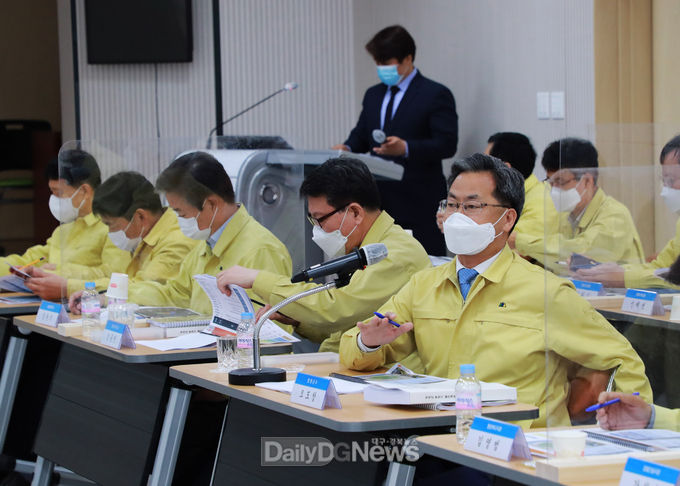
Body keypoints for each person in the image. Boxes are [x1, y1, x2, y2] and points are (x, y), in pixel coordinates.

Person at [339, 153, 651, 428]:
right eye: (452, 204)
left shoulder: (545, 292)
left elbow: (622, 358)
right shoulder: (424, 284)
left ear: (507, 219)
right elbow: (352, 349)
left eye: (472, 206)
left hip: (517, 447)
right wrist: (369, 342)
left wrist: (629, 427)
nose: (457, 216)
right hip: (444, 436)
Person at [216, 157, 431, 353]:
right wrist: (296, 320)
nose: (316, 230)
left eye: (320, 219)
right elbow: (344, 326)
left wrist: (256, 279)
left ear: (355, 212)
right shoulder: (363, 248)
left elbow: (336, 308)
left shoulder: (394, 253)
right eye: (312, 220)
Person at [332, 25, 458, 256]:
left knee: (422, 260)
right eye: (378, 63)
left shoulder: (434, 94)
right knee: (379, 261)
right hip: (378, 199)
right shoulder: (373, 94)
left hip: (418, 198)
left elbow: (447, 143)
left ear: (408, 59)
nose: (382, 68)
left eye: (387, 62)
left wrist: (406, 148)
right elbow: (362, 134)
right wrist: (346, 147)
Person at [127, 152, 292, 315]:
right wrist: (123, 291)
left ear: (211, 204)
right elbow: (176, 294)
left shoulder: (261, 250)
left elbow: (270, 325)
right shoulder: (205, 245)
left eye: (181, 213)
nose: (178, 220)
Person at [3, 149, 131, 300]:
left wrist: (59, 272)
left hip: (89, 306)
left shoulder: (115, 228)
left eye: (59, 192)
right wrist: (23, 269)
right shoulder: (63, 229)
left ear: (84, 191)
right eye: (52, 192)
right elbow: (31, 260)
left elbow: (114, 277)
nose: (54, 199)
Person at [511, 137, 645, 272]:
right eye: (550, 182)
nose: (554, 189)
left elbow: (579, 255)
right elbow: (555, 260)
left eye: (560, 181)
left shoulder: (615, 216)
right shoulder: (566, 215)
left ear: (587, 181)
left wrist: (519, 240)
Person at [68, 171, 197, 311]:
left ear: (140, 217)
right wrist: (88, 291)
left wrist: (102, 297)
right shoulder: (140, 236)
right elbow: (116, 276)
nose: (110, 232)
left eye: (111, 225)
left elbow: (144, 288)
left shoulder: (176, 241)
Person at [574, 135, 680, 288]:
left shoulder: (614, 213)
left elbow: (675, 278)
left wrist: (624, 277)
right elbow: (660, 266)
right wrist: (612, 271)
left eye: (671, 181)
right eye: (664, 181)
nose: (665, 190)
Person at [437, 132, 559, 257]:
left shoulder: (540, 202)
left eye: (472, 206)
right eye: (452, 204)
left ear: (504, 168)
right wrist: (454, 226)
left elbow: (518, 254)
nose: (480, 167)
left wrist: (464, 232)